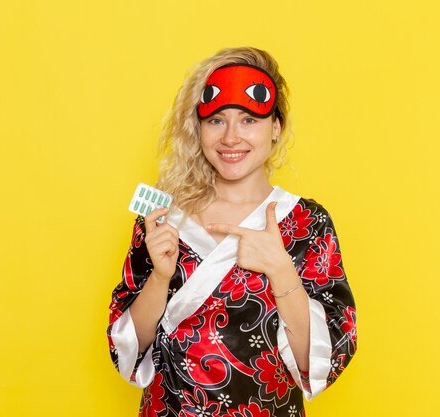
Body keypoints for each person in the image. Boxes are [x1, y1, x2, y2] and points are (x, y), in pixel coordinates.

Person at [107, 47, 357, 417]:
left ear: (276, 127)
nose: (230, 137)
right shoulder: (162, 218)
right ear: (199, 127)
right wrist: (160, 278)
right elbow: (128, 351)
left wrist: (281, 269)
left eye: (248, 120)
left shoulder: (306, 222)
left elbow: (318, 365)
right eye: (217, 121)